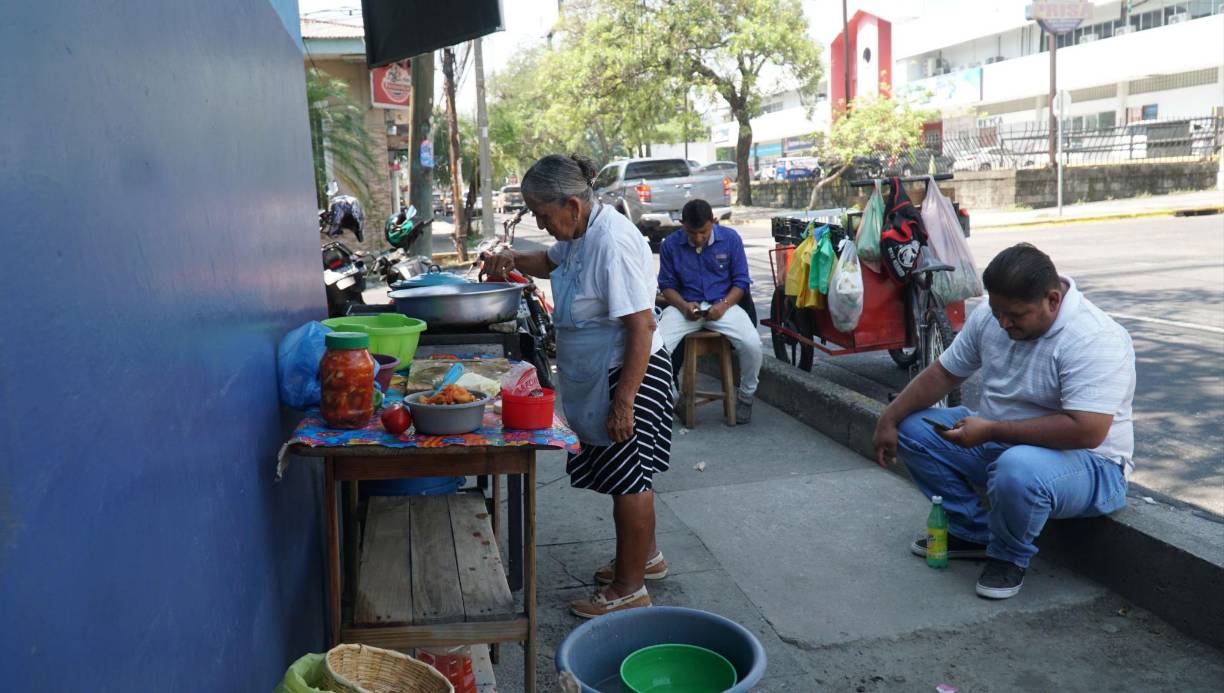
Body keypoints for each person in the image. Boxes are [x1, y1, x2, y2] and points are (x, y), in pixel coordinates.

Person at [873, 243, 1135, 599]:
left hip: (1092, 466)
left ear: (1053, 301)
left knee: (1017, 467)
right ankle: (972, 532)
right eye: (997, 311)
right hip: (1004, 445)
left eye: (1016, 315)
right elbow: (943, 373)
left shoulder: (1094, 338)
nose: (1003, 323)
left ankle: (1009, 555)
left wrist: (992, 429)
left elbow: (1087, 430)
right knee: (911, 428)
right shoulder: (992, 316)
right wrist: (888, 418)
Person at [483, 154, 673, 619]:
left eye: (543, 215)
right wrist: (509, 259)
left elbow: (641, 327)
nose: (541, 224)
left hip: (630, 369)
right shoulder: (582, 231)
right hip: (600, 370)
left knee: (630, 479)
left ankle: (630, 588)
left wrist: (623, 402)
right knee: (624, 475)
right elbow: (550, 259)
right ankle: (645, 558)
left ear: (571, 203)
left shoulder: (613, 242)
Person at [657, 199, 760, 424]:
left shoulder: (731, 239)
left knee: (752, 343)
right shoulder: (669, 245)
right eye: (692, 233)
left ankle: (746, 396)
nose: (698, 238)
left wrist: (723, 305)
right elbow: (666, 286)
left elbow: (741, 282)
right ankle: (674, 399)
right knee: (655, 349)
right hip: (684, 308)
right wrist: (684, 306)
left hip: (724, 306)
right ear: (682, 224)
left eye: (703, 232)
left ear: (713, 222)